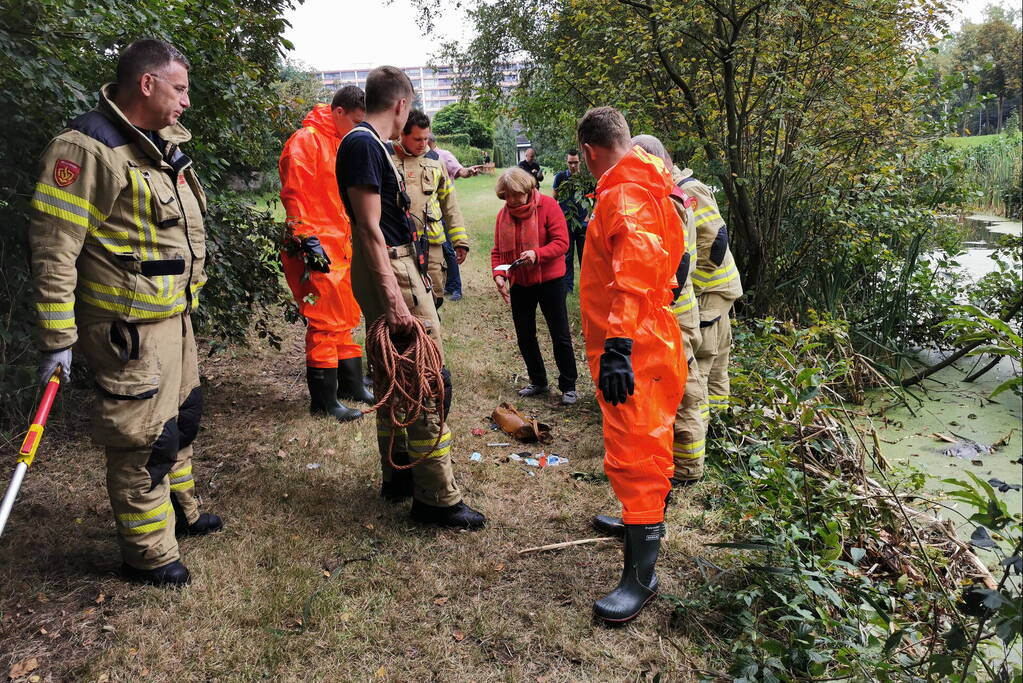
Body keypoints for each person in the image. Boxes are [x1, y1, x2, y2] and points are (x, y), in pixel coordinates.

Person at [29, 39, 223, 587]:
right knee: (143, 439)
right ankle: (147, 556)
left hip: (172, 316)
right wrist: (57, 339)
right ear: (147, 83)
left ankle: (180, 515)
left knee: (181, 420)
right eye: (180, 88)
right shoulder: (86, 150)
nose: (186, 101)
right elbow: (54, 249)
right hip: (126, 329)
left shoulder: (157, 146)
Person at [336, 66, 484, 530]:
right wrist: (396, 299)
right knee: (424, 376)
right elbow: (369, 229)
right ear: (400, 104)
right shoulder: (363, 144)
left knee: (393, 373)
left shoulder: (369, 145)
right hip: (392, 269)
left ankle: (398, 473)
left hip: (397, 265)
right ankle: (436, 497)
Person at [575, 107, 685, 624]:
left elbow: (635, 274)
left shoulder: (623, 193)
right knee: (647, 444)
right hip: (649, 335)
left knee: (636, 452)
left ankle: (639, 578)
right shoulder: (655, 184)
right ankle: (638, 528)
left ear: (593, 152)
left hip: (634, 345)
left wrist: (618, 346)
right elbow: (675, 262)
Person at [279, 86, 374, 424]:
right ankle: (324, 401)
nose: (358, 128)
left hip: (342, 244)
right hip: (316, 244)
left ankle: (350, 386)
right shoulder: (305, 142)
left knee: (345, 316)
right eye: (355, 121)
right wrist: (307, 239)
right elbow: (295, 195)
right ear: (337, 112)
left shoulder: (340, 141)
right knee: (324, 321)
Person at [631, 135, 707, 484]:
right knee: (675, 388)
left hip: (674, 313)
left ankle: (688, 469)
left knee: (684, 390)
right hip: (675, 311)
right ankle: (679, 463)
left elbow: (679, 264)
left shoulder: (670, 200)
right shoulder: (667, 195)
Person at [490, 167, 578, 406]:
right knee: (525, 335)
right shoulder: (503, 215)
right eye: (507, 195)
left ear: (528, 189)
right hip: (521, 283)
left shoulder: (548, 206)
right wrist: (499, 274)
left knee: (559, 335)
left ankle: (568, 385)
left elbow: (562, 243)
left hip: (551, 281)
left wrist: (537, 254)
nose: (513, 200)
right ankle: (538, 381)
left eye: (517, 194)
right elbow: (498, 252)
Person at [677, 168, 743, 419]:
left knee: (701, 367)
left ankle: (701, 430)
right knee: (717, 366)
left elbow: (716, 240)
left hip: (710, 293)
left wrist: (693, 288)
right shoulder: (687, 186)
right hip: (719, 290)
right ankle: (718, 426)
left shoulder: (688, 189)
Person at [390, 111, 470, 310]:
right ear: (402, 134)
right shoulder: (386, 158)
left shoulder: (436, 161)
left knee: (434, 299)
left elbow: (450, 205)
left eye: (426, 138)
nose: (423, 143)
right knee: (404, 303)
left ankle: (429, 340)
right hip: (398, 245)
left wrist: (460, 241)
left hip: (431, 245)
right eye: (417, 139)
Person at [427, 134, 480, 302]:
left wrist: (469, 171)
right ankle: (448, 285)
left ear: (430, 141)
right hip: (430, 215)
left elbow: (460, 171)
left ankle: (456, 287)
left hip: (443, 213)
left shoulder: (444, 155)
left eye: (423, 139)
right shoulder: (419, 157)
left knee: (449, 249)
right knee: (439, 250)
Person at [552, 149, 589, 293]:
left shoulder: (585, 179)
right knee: (567, 256)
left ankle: (586, 286)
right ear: (566, 162)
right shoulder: (560, 177)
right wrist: (557, 217)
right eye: (570, 163)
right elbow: (553, 199)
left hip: (583, 224)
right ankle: (568, 288)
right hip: (566, 223)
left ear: (580, 161)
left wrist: (589, 215)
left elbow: (596, 198)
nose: (573, 166)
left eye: (575, 162)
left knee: (584, 257)